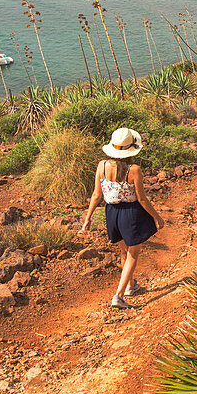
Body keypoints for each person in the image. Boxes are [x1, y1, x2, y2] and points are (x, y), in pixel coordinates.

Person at [80, 128, 165, 308]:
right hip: (130, 215)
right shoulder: (134, 170)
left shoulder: (101, 165)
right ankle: (118, 296)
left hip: (111, 213)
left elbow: (96, 195)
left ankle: (131, 286)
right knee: (133, 254)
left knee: (123, 252)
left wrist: (87, 218)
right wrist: (156, 217)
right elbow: (141, 199)